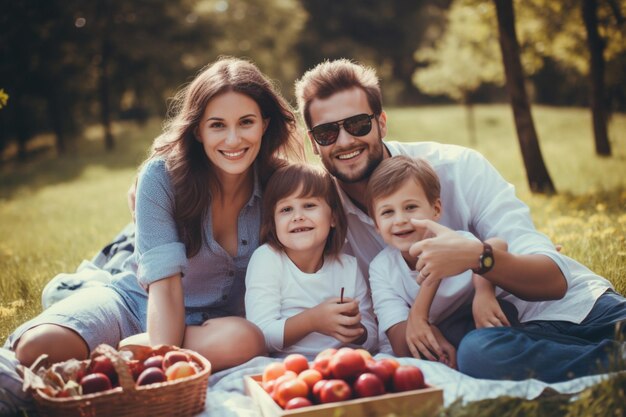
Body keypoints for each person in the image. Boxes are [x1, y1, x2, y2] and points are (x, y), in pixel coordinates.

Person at [294, 58, 626, 382]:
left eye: (357, 125)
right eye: (326, 133)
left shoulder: (457, 167)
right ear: (313, 143)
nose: (345, 141)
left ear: (381, 123)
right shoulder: (319, 215)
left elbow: (554, 280)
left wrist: (477, 259)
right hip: (490, 344)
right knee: (481, 355)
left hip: (568, 310)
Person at [5, 57, 304, 372]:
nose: (233, 139)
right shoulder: (162, 177)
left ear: (264, 124)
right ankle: (124, 347)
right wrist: (166, 354)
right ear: (199, 130)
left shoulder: (281, 184)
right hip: (139, 305)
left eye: (246, 122)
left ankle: (119, 355)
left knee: (245, 340)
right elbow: (165, 288)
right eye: (217, 125)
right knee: (36, 347)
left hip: (217, 327)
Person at [366, 155, 516, 368]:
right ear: (376, 225)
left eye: (410, 207)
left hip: (481, 321)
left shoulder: (456, 242)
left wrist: (484, 291)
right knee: (432, 350)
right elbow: (400, 342)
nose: (400, 219)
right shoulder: (382, 268)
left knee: (487, 337)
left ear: (436, 209)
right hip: (443, 332)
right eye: (388, 212)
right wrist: (430, 333)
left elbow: (497, 244)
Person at [244, 163, 378, 358]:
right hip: (287, 367)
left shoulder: (348, 266)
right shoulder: (267, 259)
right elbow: (261, 335)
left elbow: (372, 337)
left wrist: (357, 330)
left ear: (333, 217)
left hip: (342, 363)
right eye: (286, 209)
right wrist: (313, 321)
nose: (298, 216)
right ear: (273, 224)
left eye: (309, 205)